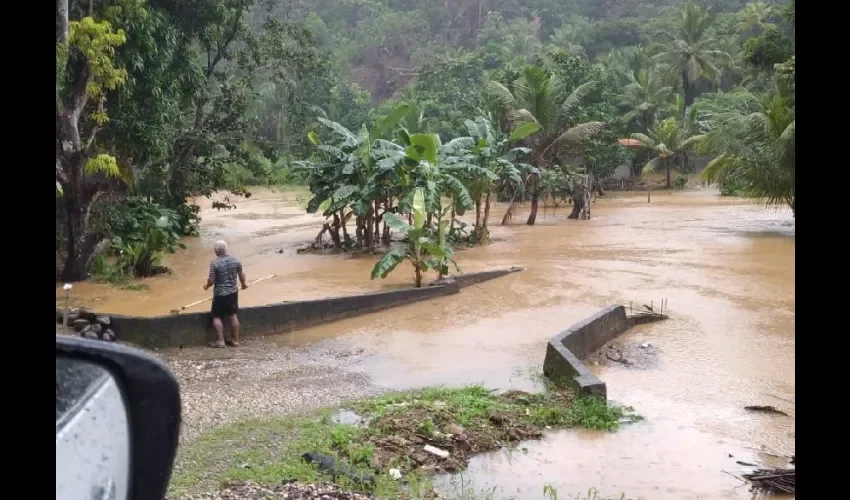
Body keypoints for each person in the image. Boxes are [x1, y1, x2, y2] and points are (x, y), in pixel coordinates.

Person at [203, 240, 247, 348]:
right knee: (233, 315)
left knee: (216, 316)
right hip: (233, 293)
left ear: (216, 251)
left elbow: (211, 280)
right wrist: (243, 284)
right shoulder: (235, 260)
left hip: (220, 295)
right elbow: (241, 274)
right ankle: (235, 340)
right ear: (226, 249)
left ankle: (220, 341)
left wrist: (206, 286)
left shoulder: (215, 263)